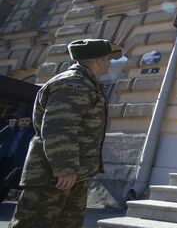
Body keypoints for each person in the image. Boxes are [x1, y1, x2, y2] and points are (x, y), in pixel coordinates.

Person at [10, 38, 122, 228]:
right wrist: (65, 168)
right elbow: (59, 127)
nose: (110, 63)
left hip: (71, 174)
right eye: (108, 59)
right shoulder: (73, 84)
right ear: (99, 60)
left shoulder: (86, 83)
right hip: (54, 175)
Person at [0, 112, 35, 202]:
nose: (24, 122)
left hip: (16, 161)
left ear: (30, 122)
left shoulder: (32, 132)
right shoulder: (11, 129)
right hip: (4, 158)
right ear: (18, 121)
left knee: (6, 183)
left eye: (27, 121)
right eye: (22, 120)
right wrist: (8, 127)